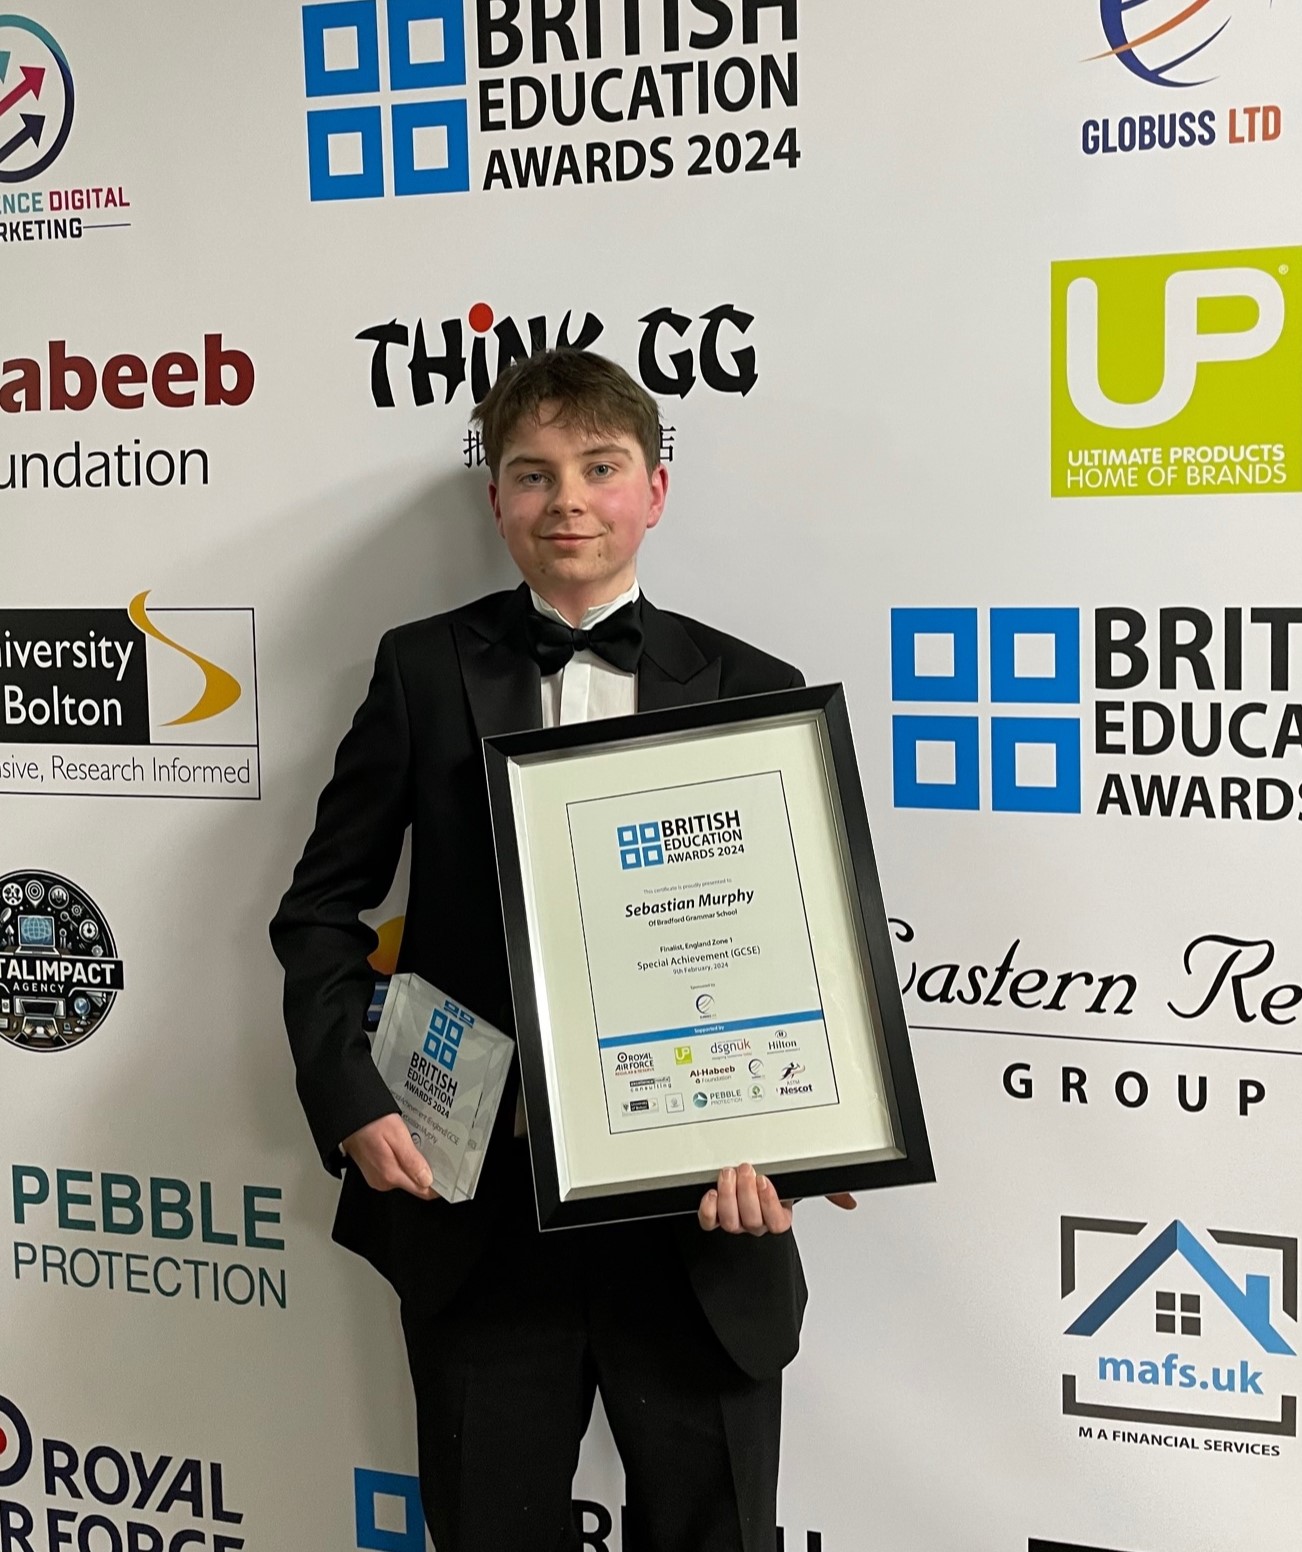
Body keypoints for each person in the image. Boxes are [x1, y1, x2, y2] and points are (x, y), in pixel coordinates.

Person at [269, 349, 853, 1552]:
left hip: (702, 1217)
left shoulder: (757, 686)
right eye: (532, 476)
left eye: (600, 469)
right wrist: (350, 1091)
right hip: (482, 1212)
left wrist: (802, 1142)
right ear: (497, 503)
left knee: (717, 1535)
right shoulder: (422, 670)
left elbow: (808, 951)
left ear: (655, 489)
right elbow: (321, 908)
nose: (568, 502)